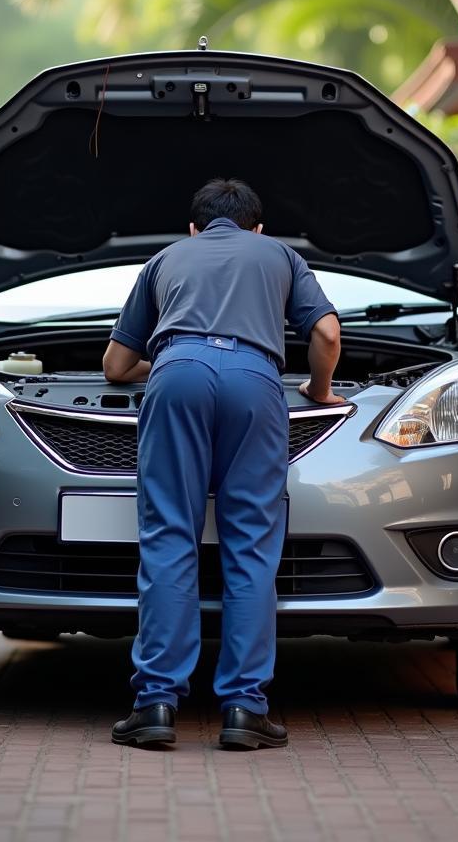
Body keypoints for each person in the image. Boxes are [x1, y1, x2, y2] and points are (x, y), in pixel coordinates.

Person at [102, 178, 343, 750]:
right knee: (251, 545)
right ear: (259, 228)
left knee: (169, 536)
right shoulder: (281, 255)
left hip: (176, 374)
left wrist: (170, 364)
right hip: (257, 382)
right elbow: (328, 334)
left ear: (193, 228)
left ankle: (156, 704)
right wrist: (319, 388)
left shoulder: (166, 258)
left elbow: (115, 365)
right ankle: (244, 709)